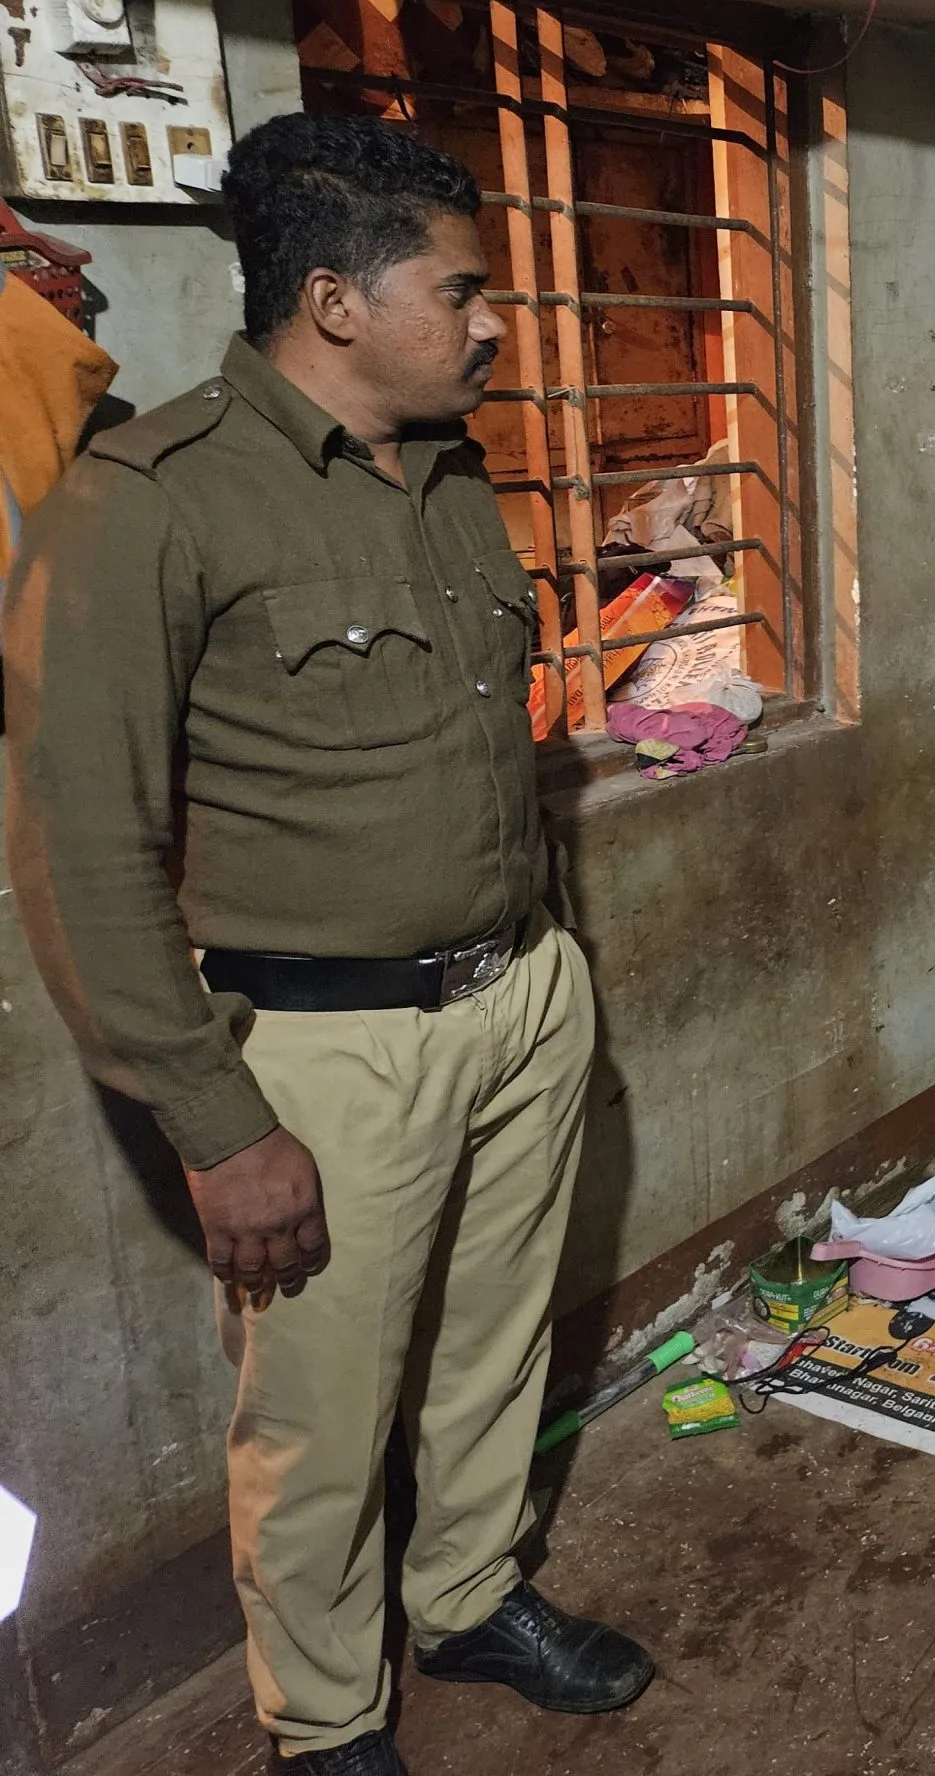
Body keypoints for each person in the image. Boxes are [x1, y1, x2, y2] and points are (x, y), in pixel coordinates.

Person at [3, 114, 651, 1774]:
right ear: (335, 302)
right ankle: (328, 1715)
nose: (495, 323)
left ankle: (469, 1593)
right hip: (322, 1051)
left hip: (518, 997)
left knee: (494, 1349)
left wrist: (552, 977)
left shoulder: (452, 477)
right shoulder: (149, 507)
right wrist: (217, 1123)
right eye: (463, 290)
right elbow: (81, 853)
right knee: (319, 1410)